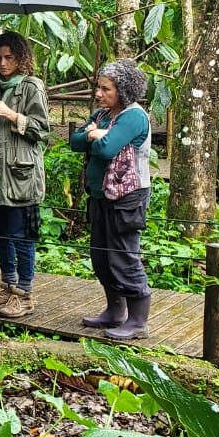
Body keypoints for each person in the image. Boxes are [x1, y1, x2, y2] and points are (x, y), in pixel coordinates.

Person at [70, 59, 152, 340]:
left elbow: (106, 149)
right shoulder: (103, 115)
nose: (98, 93)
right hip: (100, 195)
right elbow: (75, 141)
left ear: (124, 91)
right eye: (98, 87)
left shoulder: (133, 116)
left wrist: (94, 134)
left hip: (126, 198)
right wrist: (95, 133)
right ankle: (115, 312)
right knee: (102, 256)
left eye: (106, 89)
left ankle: (138, 321)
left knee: (123, 256)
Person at [0, 31, 50, 320]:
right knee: (1, 232)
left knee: (22, 235)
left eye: (10, 57)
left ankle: (25, 293)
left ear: (21, 58)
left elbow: (42, 130)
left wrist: (11, 114)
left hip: (20, 174)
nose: (3, 64)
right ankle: (7, 285)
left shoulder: (31, 87)